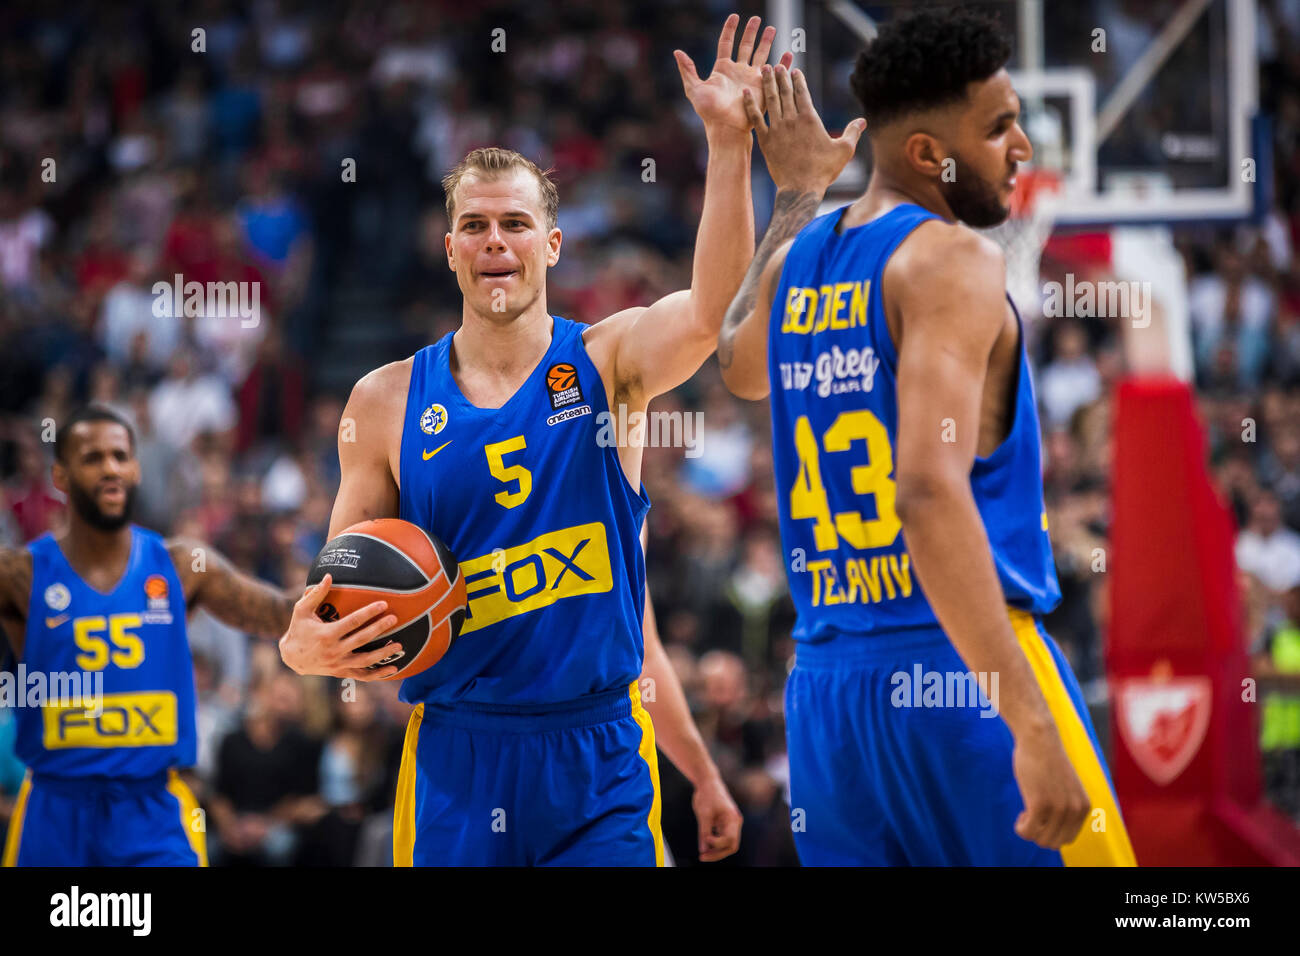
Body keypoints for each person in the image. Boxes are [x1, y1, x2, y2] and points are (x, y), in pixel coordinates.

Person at [276, 15, 798, 866]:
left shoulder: (609, 360)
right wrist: (305, 647)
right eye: (475, 227)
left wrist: (729, 146)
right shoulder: (384, 402)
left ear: (551, 244)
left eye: (515, 224)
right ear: (449, 251)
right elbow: (337, 599)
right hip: (457, 752)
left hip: (598, 756)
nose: (495, 243)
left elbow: (714, 315)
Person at [717, 8, 1136, 865]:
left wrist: (796, 194)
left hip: (830, 693)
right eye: (1000, 126)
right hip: (963, 672)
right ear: (926, 156)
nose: (1022, 147)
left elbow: (736, 360)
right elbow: (927, 490)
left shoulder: (807, 255)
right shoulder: (951, 261)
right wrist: (1028, 722)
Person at [0, 404, 297, 866]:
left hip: (153, 809)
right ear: (60, 474)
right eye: (92, 457)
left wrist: (365, 590)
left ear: (137, 468)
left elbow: (281, 611)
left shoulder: (181, 566)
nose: (111, 468)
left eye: (120, 455)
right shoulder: (19, 574)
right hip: (54, 809)